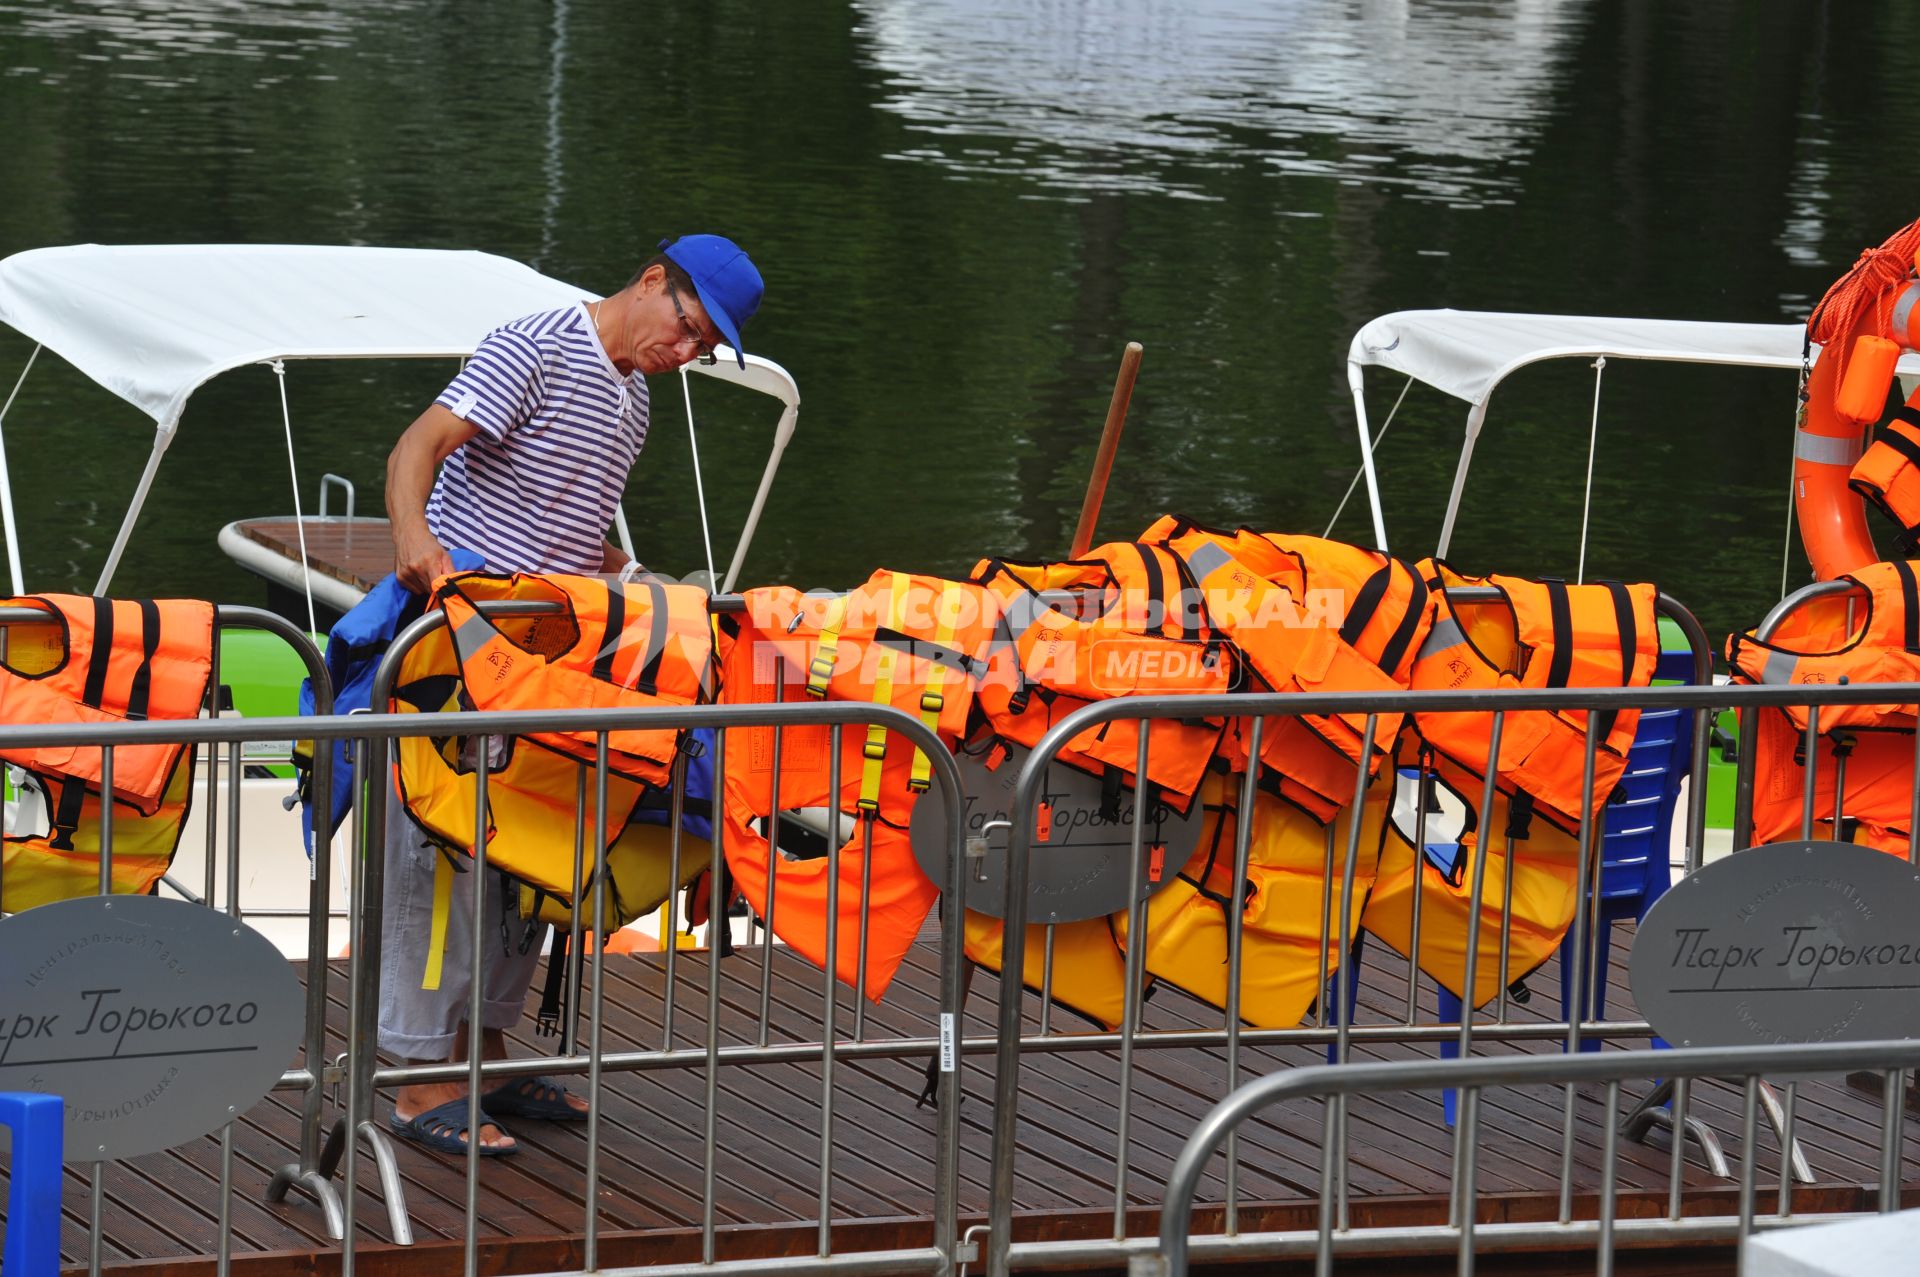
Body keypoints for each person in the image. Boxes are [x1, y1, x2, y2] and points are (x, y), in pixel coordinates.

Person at [379, 234, 764, 1155]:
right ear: (649, 282)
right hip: (457, 646)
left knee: (527, 856)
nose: (684, 354)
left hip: (549, 661)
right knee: (443, 860)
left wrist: (639, 577)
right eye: (686, 327)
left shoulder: (633, 398)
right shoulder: (540, 345)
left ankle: (487, 1050)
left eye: (702, 348)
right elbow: (416, 444)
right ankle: (411, 1072)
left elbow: (578, 532)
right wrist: (415, 541)